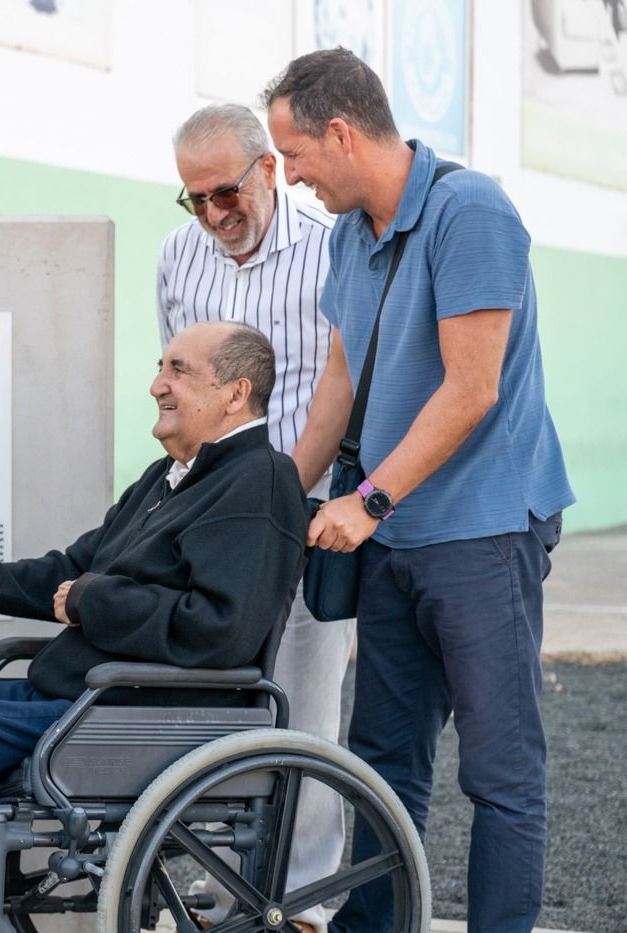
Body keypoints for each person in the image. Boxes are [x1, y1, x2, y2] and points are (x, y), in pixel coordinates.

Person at [0, 321, 310, 933]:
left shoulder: (261, 480)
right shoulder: (165, 479)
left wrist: (93, 600)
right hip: (75, 699)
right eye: (160, 368)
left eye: (178, 370)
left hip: (136, 713)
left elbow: (220, 629)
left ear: (234, 392)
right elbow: (71, 571)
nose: (156, 386)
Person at [263, 49, 574, 933]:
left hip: (480, 532)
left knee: (500, 772)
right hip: (393, 540)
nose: (290, 178)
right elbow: (338, 384)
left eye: (294, 156)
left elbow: (471, 389)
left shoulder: (470, 210)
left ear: (341, 131)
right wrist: (279, 494)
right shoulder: (345, 236)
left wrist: (366, 503)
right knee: (381, 762)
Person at [158, 102, 353, 932]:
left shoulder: (332, 252)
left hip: (303, 512)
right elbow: (179, 388)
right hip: (206, 517)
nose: (212, 214)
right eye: (194, 197)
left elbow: (341, 396)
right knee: (217, 700)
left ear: (269, 168)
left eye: (225, 192)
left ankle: (305, 904)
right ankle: (223, 889)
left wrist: (278, 506)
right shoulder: (177, 256)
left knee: (304, 703)